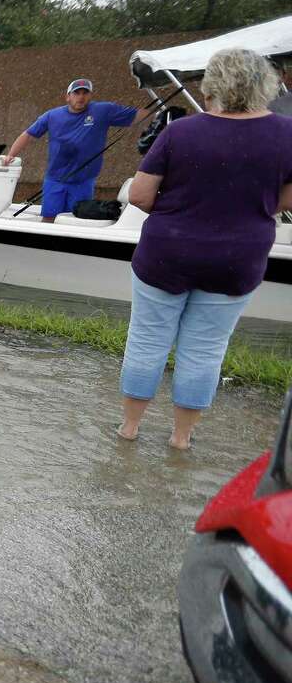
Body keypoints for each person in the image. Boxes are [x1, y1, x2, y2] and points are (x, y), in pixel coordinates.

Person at [117, 48, 292, 449]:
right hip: (237, 260)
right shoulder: (287, 134)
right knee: (205, 350)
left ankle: (129, 429)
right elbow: (286, 200)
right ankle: (181, 438)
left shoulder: (180, 132)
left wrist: (181, 210)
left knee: (147, 340)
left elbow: (141, 195)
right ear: (264, 84)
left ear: (212, 84)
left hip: (167, 253)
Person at [0, 78, 140, 222]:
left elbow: (138, 115)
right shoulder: (52, 115)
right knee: (49, 218)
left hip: (83, 181)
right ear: (68, 96)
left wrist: (160, 116)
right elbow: (28, 134)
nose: (81, 97)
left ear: (90, 96)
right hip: (55, 179)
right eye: (76, 93)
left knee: (77, 219)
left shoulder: (102, 111)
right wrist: (11, 155)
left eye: (85, 93)